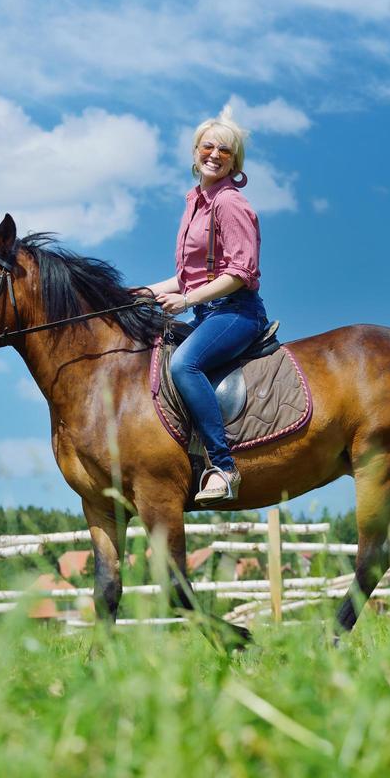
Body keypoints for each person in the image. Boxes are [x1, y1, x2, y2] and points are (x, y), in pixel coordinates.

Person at [135, 109, 268, 503]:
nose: (214, 154)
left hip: (236, 312)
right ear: (195, 152)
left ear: (234, 161)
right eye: (207, 146)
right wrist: (143, 291)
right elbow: (189, 274)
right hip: (206, 311)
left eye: (224, 150)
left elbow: (241, 272)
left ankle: (224, 468)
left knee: (183, 364)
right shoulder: (195, 201)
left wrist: (187, 300)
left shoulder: (229, 204)